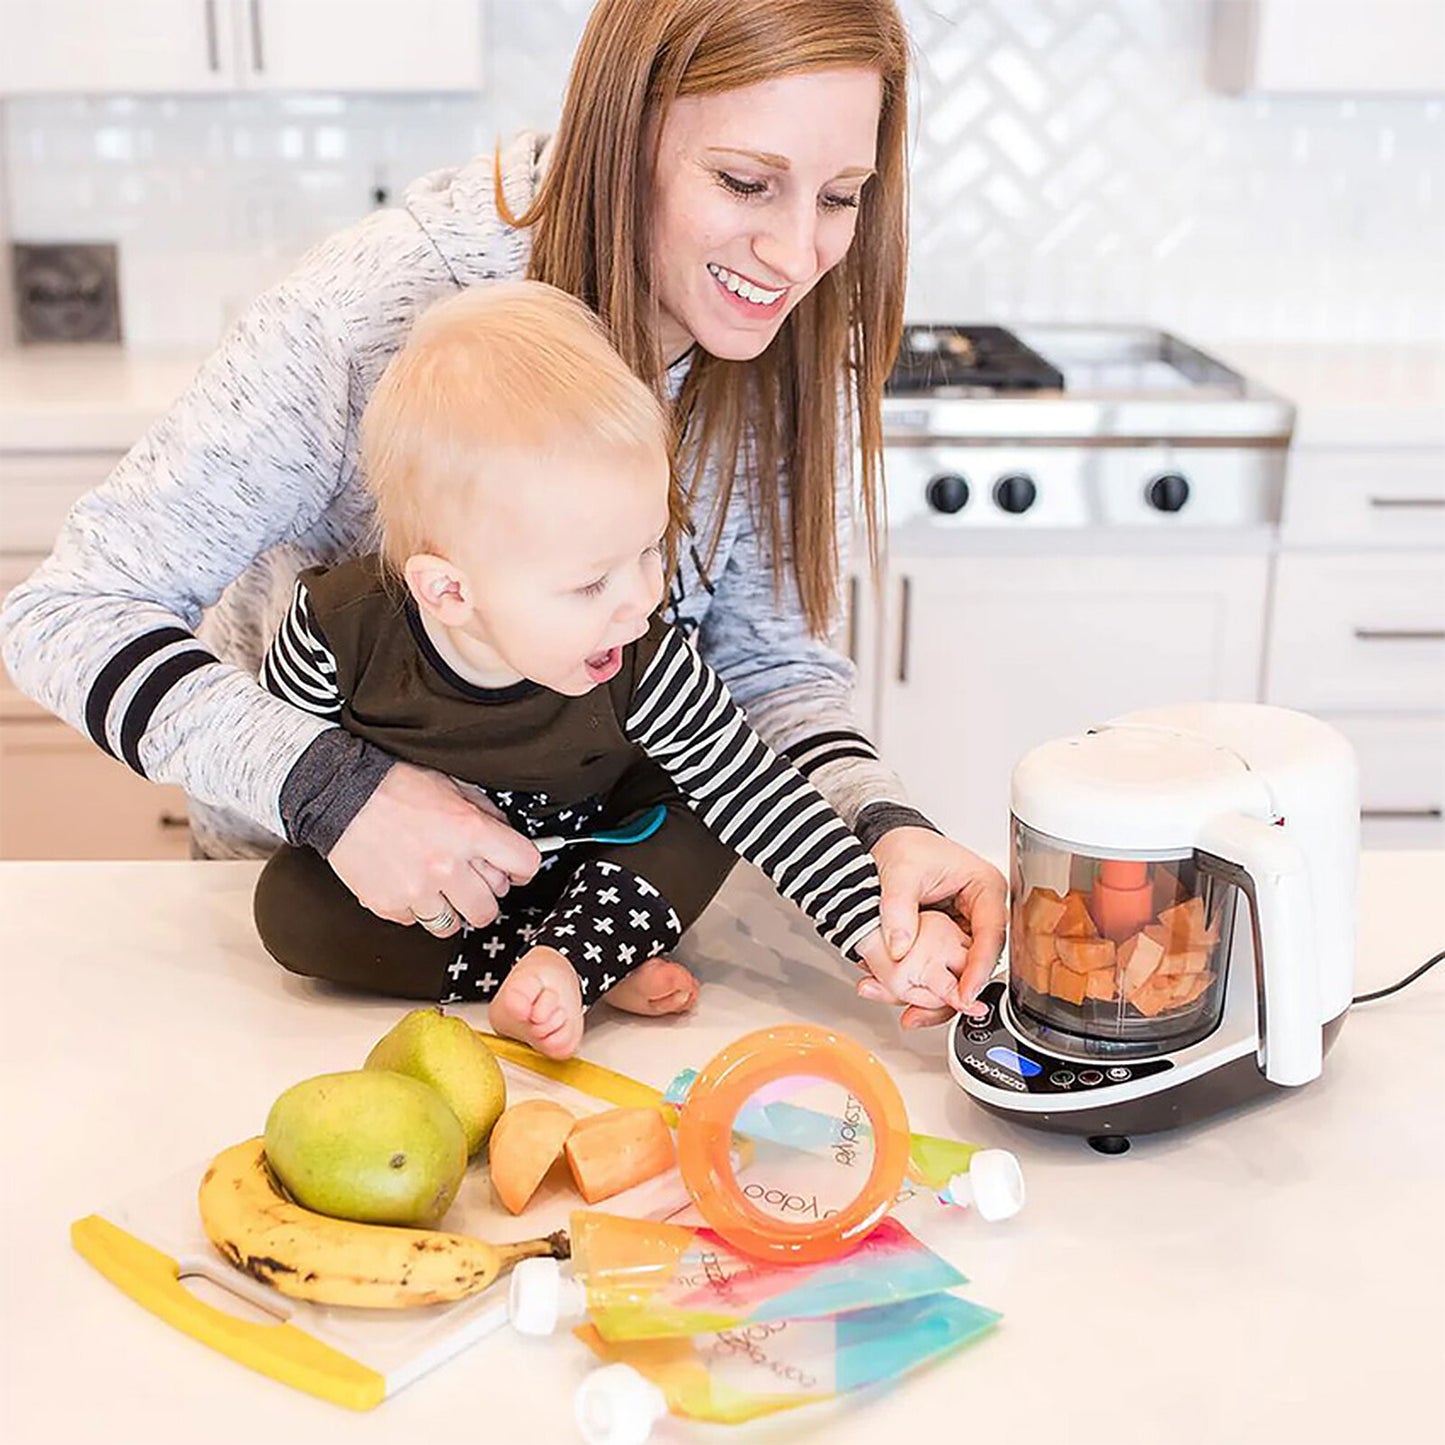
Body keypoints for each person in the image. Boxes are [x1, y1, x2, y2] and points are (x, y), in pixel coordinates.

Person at [0, 0, 1005, 1029]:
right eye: (743, 182)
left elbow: (764, 676)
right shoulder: (373, 309)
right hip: (333, 930)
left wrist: (878, 830)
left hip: (595, 920)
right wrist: (331, 786)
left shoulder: (789, 333)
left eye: (841, 196)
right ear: (623, 130)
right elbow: (68, 611)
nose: (796, 257)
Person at [254, 281, 971, 1057]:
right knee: (291, 908)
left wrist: (878, 930)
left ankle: (571, 960)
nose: (639, 601)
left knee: (705, 818)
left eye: (650, 550)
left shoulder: (643, 655)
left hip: (602, 869)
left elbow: (760, 794)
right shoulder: (335, 631)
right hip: (447, 889)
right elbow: (280, 766)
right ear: (450, 589)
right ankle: (560, 969)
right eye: (592, 582)